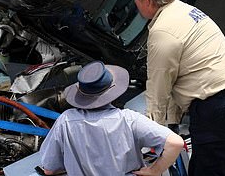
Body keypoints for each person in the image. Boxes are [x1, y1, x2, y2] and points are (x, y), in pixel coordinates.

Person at [133, 0, 225, 176]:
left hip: (217, 109)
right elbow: (176, 77)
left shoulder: (163, 31)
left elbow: (159, 87)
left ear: (147, 0)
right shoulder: (184, 10)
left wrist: (153, 135)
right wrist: (172, 124)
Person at [39, 61, 184, 176]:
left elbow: (49, 169)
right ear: (112, 89)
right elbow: (175, 143)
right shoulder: (129, 119)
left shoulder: (66, 121)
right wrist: (155, 170)